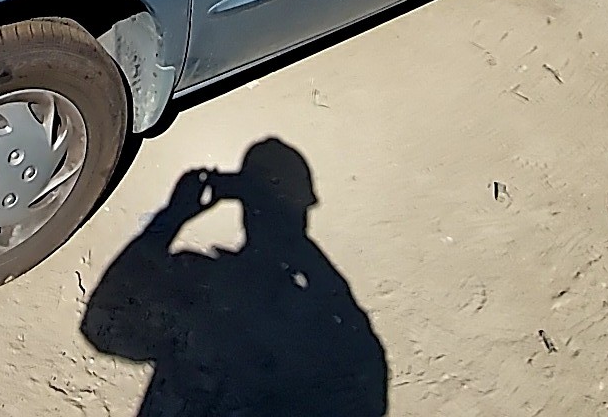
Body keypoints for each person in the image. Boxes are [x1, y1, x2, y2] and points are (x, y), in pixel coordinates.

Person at [81, 138, 389, 416]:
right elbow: (369, 391)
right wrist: (293, 238)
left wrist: (171, 218)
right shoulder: (328, 324)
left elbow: (103, 324)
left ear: (245, 207)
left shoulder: (197, 287)